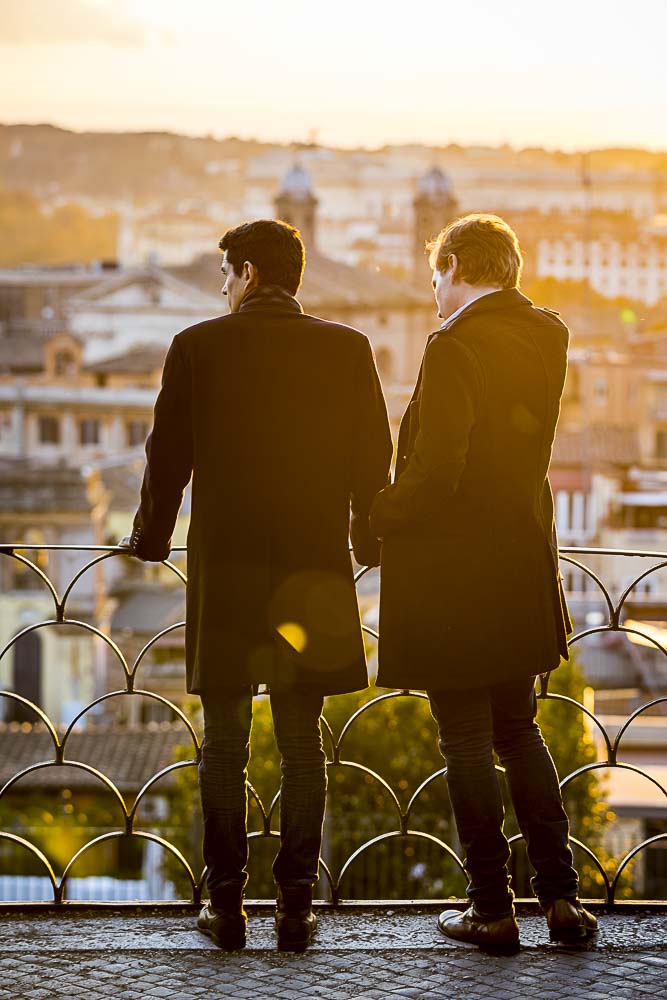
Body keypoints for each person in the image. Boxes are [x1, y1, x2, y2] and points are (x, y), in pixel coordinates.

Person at [126, 219, 392, 951]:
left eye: (224, 273)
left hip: (229, 572)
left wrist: (149, 539)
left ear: (244, 272)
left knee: (224, 745)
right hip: (311, 572)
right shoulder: (348, 349)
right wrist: (366, 544)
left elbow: (166, 456)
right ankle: (298, 910)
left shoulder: (198, 347)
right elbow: (373, 463)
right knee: (303, 747)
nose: (221, 287)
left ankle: (227, 906)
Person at [369, 214, 598, 953]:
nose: (432, 291)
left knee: (464, 738)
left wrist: (378, 513)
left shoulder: (452, 345)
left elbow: (440, 471)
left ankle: (490, 908)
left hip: (455, 573)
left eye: (435, 274)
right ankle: (561, 900)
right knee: (519, 730)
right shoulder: (546, 334)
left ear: (459, 265)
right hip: (520, 565)